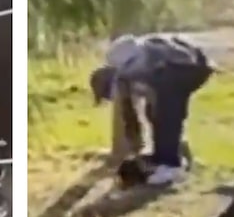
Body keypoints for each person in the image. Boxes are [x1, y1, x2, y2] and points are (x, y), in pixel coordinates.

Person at [90, 33, 215, 185]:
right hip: (179, 66)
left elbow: (147, 104)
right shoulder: (130, 68)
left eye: (107, 96)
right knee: (157, 113)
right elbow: (134, 114)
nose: (110, 100)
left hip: (187, 66)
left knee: (166, 113)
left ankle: (171, 167)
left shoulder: (141, 67)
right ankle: (173, 152)